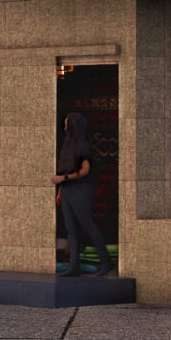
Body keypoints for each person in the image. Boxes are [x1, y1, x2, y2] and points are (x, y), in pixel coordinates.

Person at [53, 111, 114, 276]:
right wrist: (61, 189)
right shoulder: (68, 146)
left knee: (88, 225)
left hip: (80, 190)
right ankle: (74, 266)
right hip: (67, 190)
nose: (65, 127)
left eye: (67, 124)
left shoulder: (83, 146)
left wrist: (63, 178)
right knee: (71, 229)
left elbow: (85, 171)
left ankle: (106, 262)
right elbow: (67, 169)